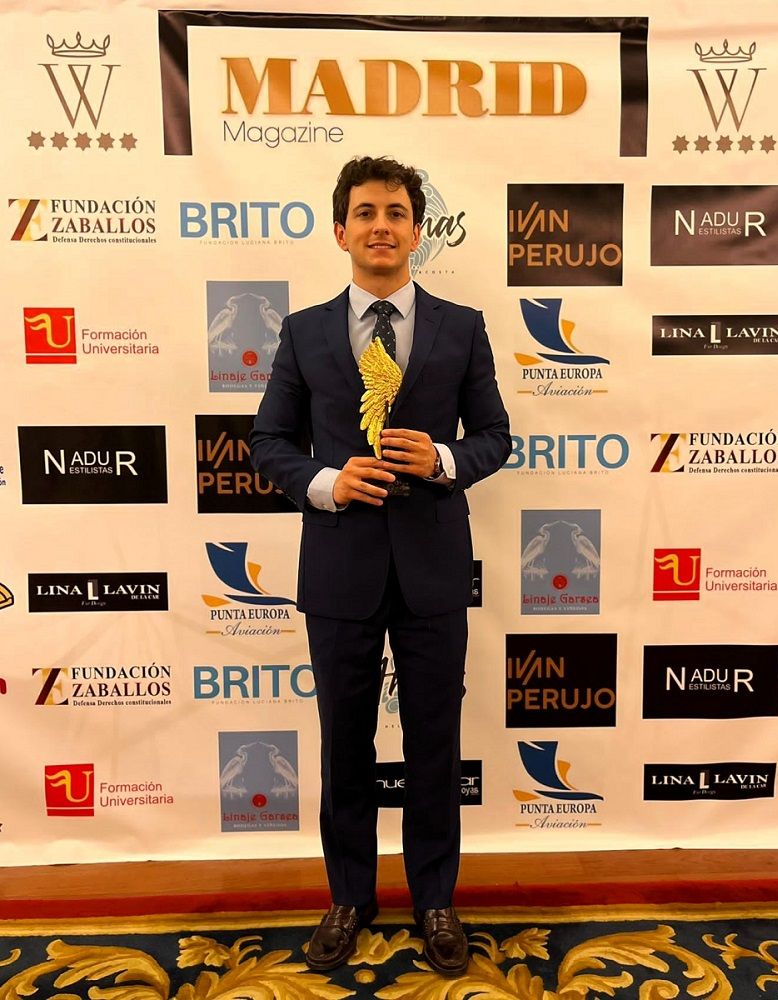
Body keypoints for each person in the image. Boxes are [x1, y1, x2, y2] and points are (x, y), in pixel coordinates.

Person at [250, 155, 511, 977]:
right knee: (345, 745)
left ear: (416, 230)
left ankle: (435, 899)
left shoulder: (461, 326)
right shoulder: (304, 331)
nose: (381, 226)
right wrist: (327, 482)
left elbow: (496, 438)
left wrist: (442, 459)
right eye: (365, 213)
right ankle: (349, 897)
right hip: (339, 570)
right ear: (341, 231)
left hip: (433, 569)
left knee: (435, 743)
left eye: (396, 213)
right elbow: (268, 442)